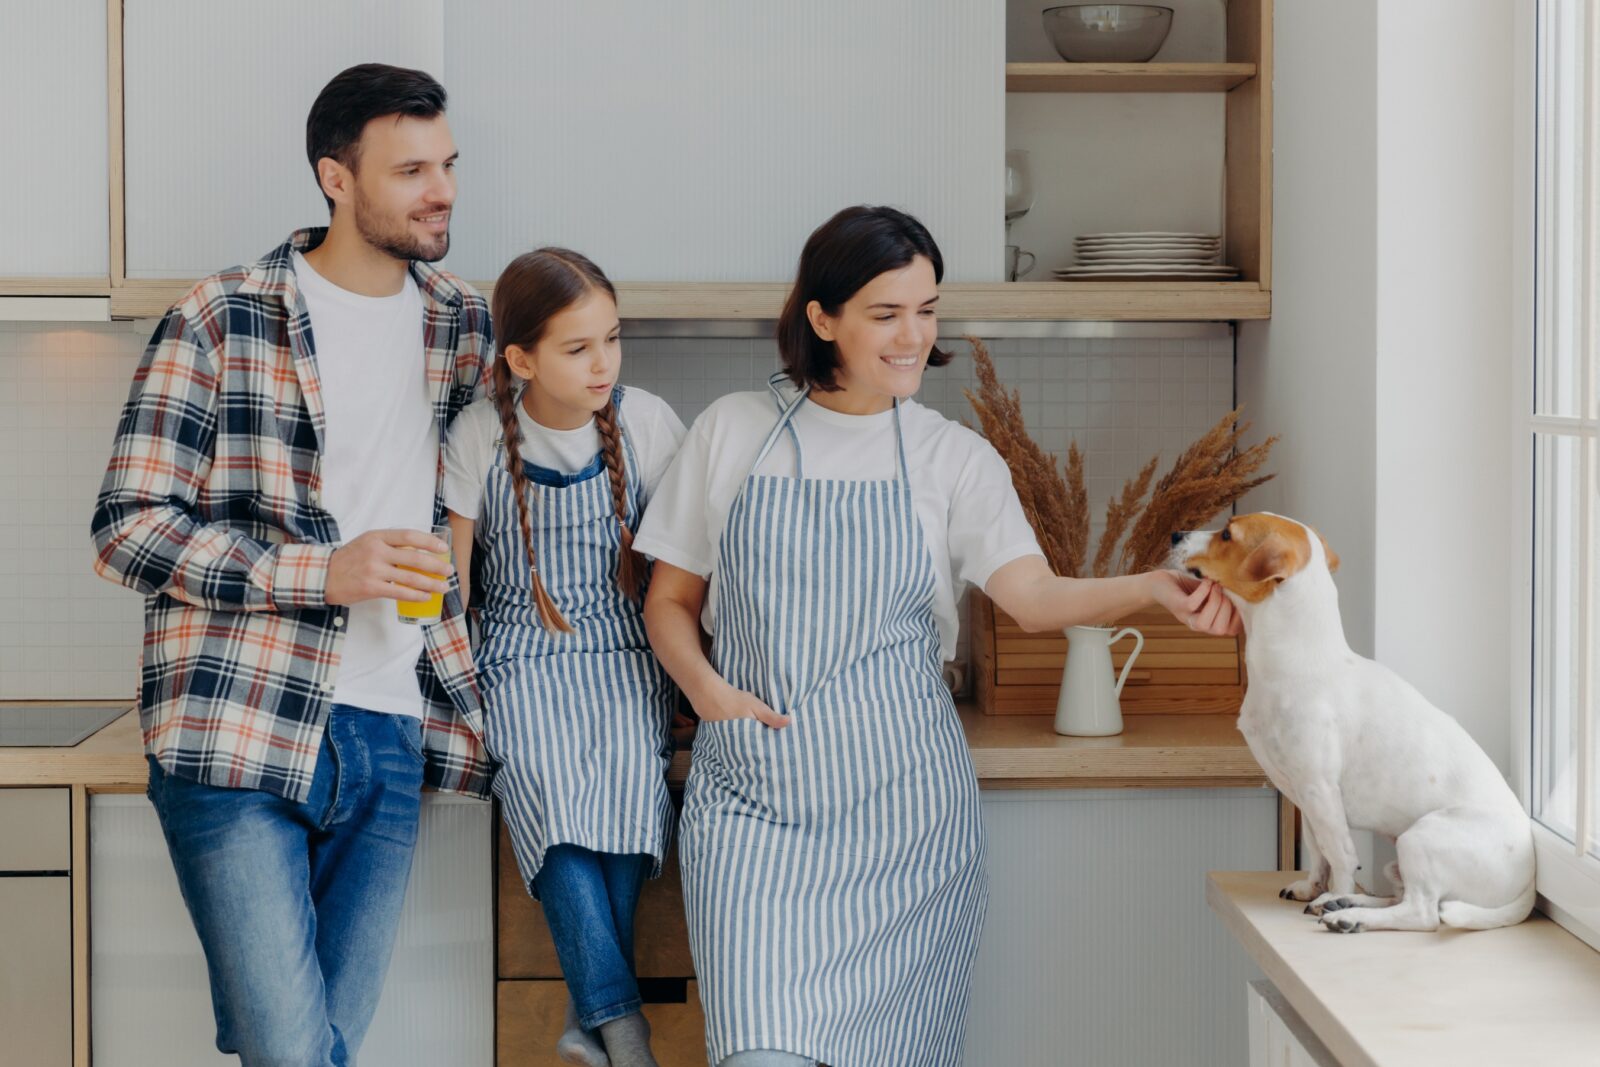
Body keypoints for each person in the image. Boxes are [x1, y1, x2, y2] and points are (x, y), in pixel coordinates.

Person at [635, 205, 1240, 1067]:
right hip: (757, 810)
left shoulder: (953, 457)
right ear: (822, 318)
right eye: (886, 314)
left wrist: (1148, 587)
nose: (913, 335)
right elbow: (669, 600)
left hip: (905, 818)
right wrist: (709, 693)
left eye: (927, 310)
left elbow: (1030, 598)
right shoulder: (731, 432)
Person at [89, 63, 493, 1066]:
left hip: (393, 726)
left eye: (446, 164)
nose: (441, 188)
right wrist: (321, 571)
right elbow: (126, 525)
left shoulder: (466, 324)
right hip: (237, 722)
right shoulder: (221, 314)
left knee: (314, 1047)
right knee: (291, 1047)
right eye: (410, 169)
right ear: (336, 178)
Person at [443, 248, 687, 1067]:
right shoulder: (479, 431)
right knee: (550, 787)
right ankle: (624, 1031)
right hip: (519, 650)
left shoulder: (647, 421)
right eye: (578, 348)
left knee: (624, 793)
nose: (603, 363)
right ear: (521, 358)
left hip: (626, 649)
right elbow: (451, 586)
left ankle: (599, 1022)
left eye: (612, 340)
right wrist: (446, 695)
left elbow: (693, 566)